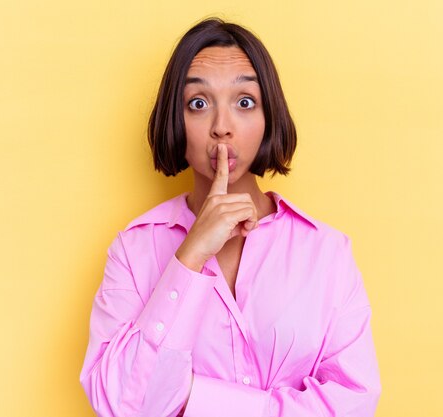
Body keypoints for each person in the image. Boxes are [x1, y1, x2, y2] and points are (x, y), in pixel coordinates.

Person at [80, 17, 381, 417]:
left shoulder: (327, 252)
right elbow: (122, 406)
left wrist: (197, 399)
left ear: (268, 116)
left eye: (244, 102)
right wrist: (189, 258)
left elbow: (354, 404)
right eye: (199, 104)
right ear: (176, 119)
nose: (222, 128)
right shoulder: (133, 251)